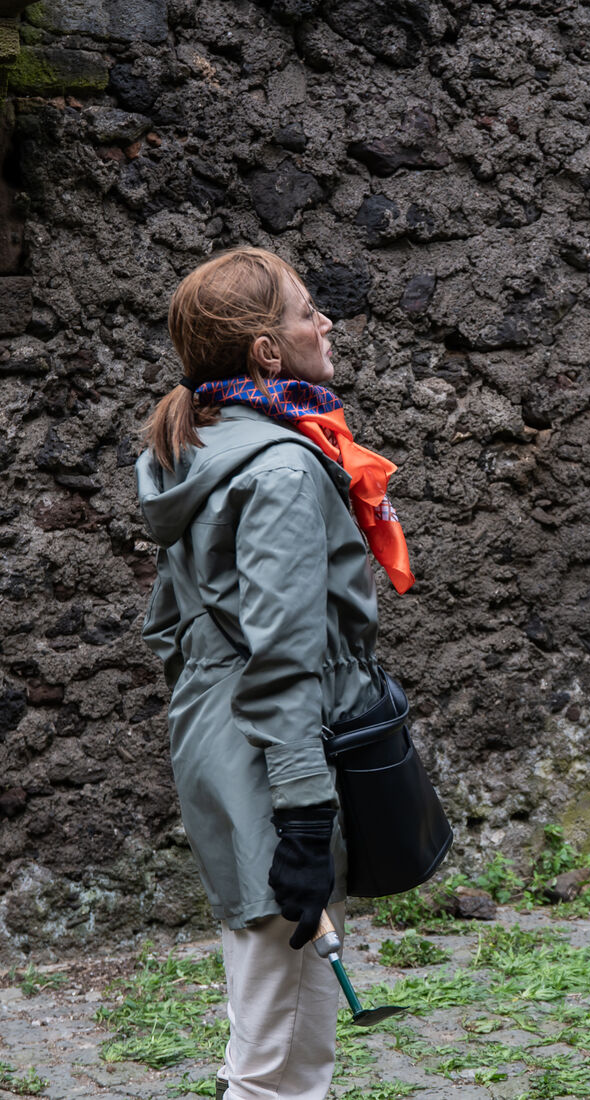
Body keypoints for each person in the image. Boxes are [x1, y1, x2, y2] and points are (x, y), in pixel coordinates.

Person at [136, 247, 414, 1100]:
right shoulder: (283, 468)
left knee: (279, 1037)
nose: (323, 323)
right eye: (305, 312)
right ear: (266, 351)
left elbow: (169, 629)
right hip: (277, 759)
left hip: (225, 746)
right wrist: (301, 815)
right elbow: (287, 661)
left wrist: (216, 725)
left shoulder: (200, 449)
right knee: (274, 1061)